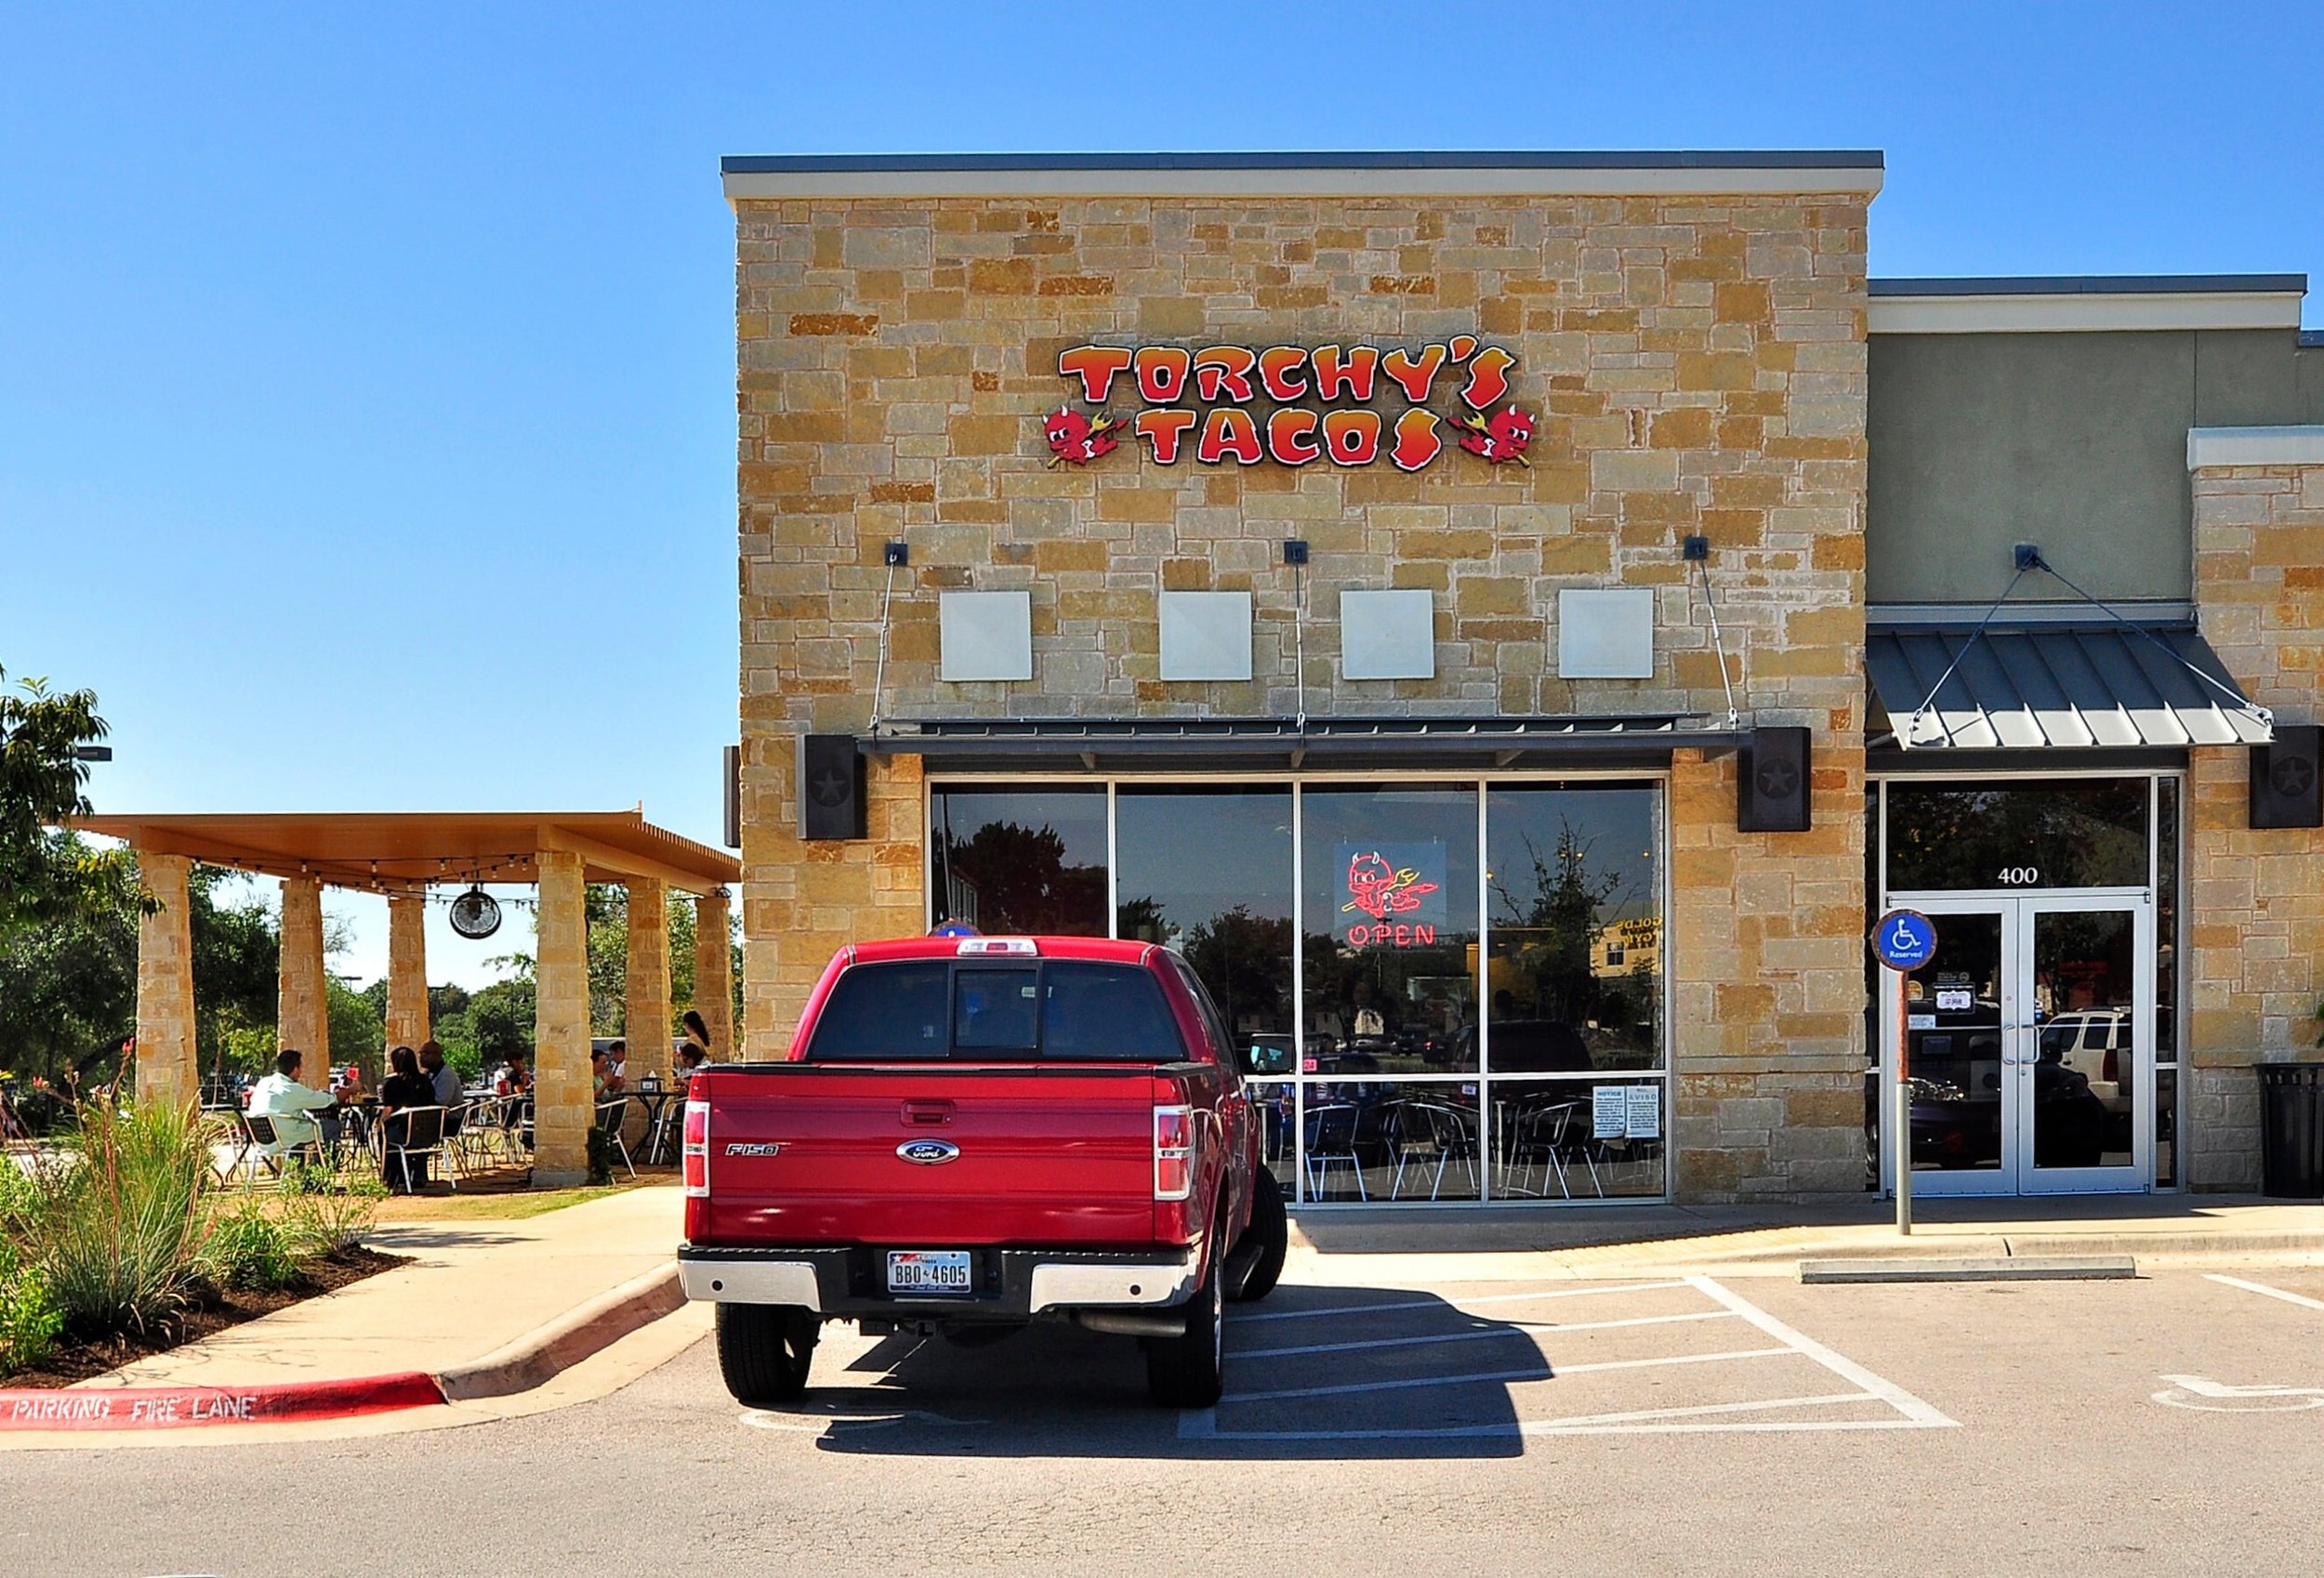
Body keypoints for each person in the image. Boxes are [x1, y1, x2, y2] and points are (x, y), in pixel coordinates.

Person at [248, 1049, 340, 1163]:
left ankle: (296, 1170)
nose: (301, 1071)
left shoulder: (263, 1083)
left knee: (297, 1127)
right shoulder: (291, 1089)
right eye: (301, 1067)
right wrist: (350, 1090)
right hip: (286, 1137)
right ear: (295, 1069)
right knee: (332, 1126)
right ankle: (317, 1172)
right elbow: (328, 1100)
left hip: (263, 1139)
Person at [377, 1045, 439, 1190]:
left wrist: (379, 1124)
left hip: (403, 1133)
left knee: (384, 1133)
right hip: (428, 1132)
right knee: (409, 1135)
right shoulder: (426, 1081)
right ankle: (419, 1175)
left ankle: (392, 1176)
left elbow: (388, 1111)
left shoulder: (392, 1083)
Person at [418, 1041, 463, 1134]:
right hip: (432, 1118)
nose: (421, 1056)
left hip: (449, 1121)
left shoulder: (446, 1075)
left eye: (425, 1053)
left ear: (437, 1055)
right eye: (420, 1053)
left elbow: (441, 1102)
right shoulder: (428, 1073)